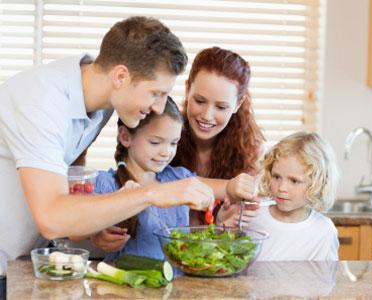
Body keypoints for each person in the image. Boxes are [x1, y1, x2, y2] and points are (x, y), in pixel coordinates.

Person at [0, 16, 215, 287]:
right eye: (155, 94)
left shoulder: (102, 100)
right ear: (121, 76)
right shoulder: (40, 102)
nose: (160, 107)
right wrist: (151, 193)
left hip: (25, 263)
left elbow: (69, 176)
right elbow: (52, 217)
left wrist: (92, 225)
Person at [90, 97, 255, 259]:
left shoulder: (179, 177)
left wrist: (235, 187)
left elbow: (225, 189)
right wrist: (97, 235)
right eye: (155, 142)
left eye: (173, 143)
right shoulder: (106, 183)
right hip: (127, 284)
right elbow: (81, 225)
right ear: (126, 137)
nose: (166, 152)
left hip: (178, 282)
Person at [171, 46, 266, 227]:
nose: (207, 115)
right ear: (187, 89)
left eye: (221, 107)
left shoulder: (253, 153)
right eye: (200, 101)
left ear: (238, 103)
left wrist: (222, 227)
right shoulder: (162, 136)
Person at [249, 132, 340, 261]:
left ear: (317, 183)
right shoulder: (253, 217)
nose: (282, 188)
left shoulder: (324, 231)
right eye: (276, 177)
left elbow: (326, 277)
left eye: (294, 181)